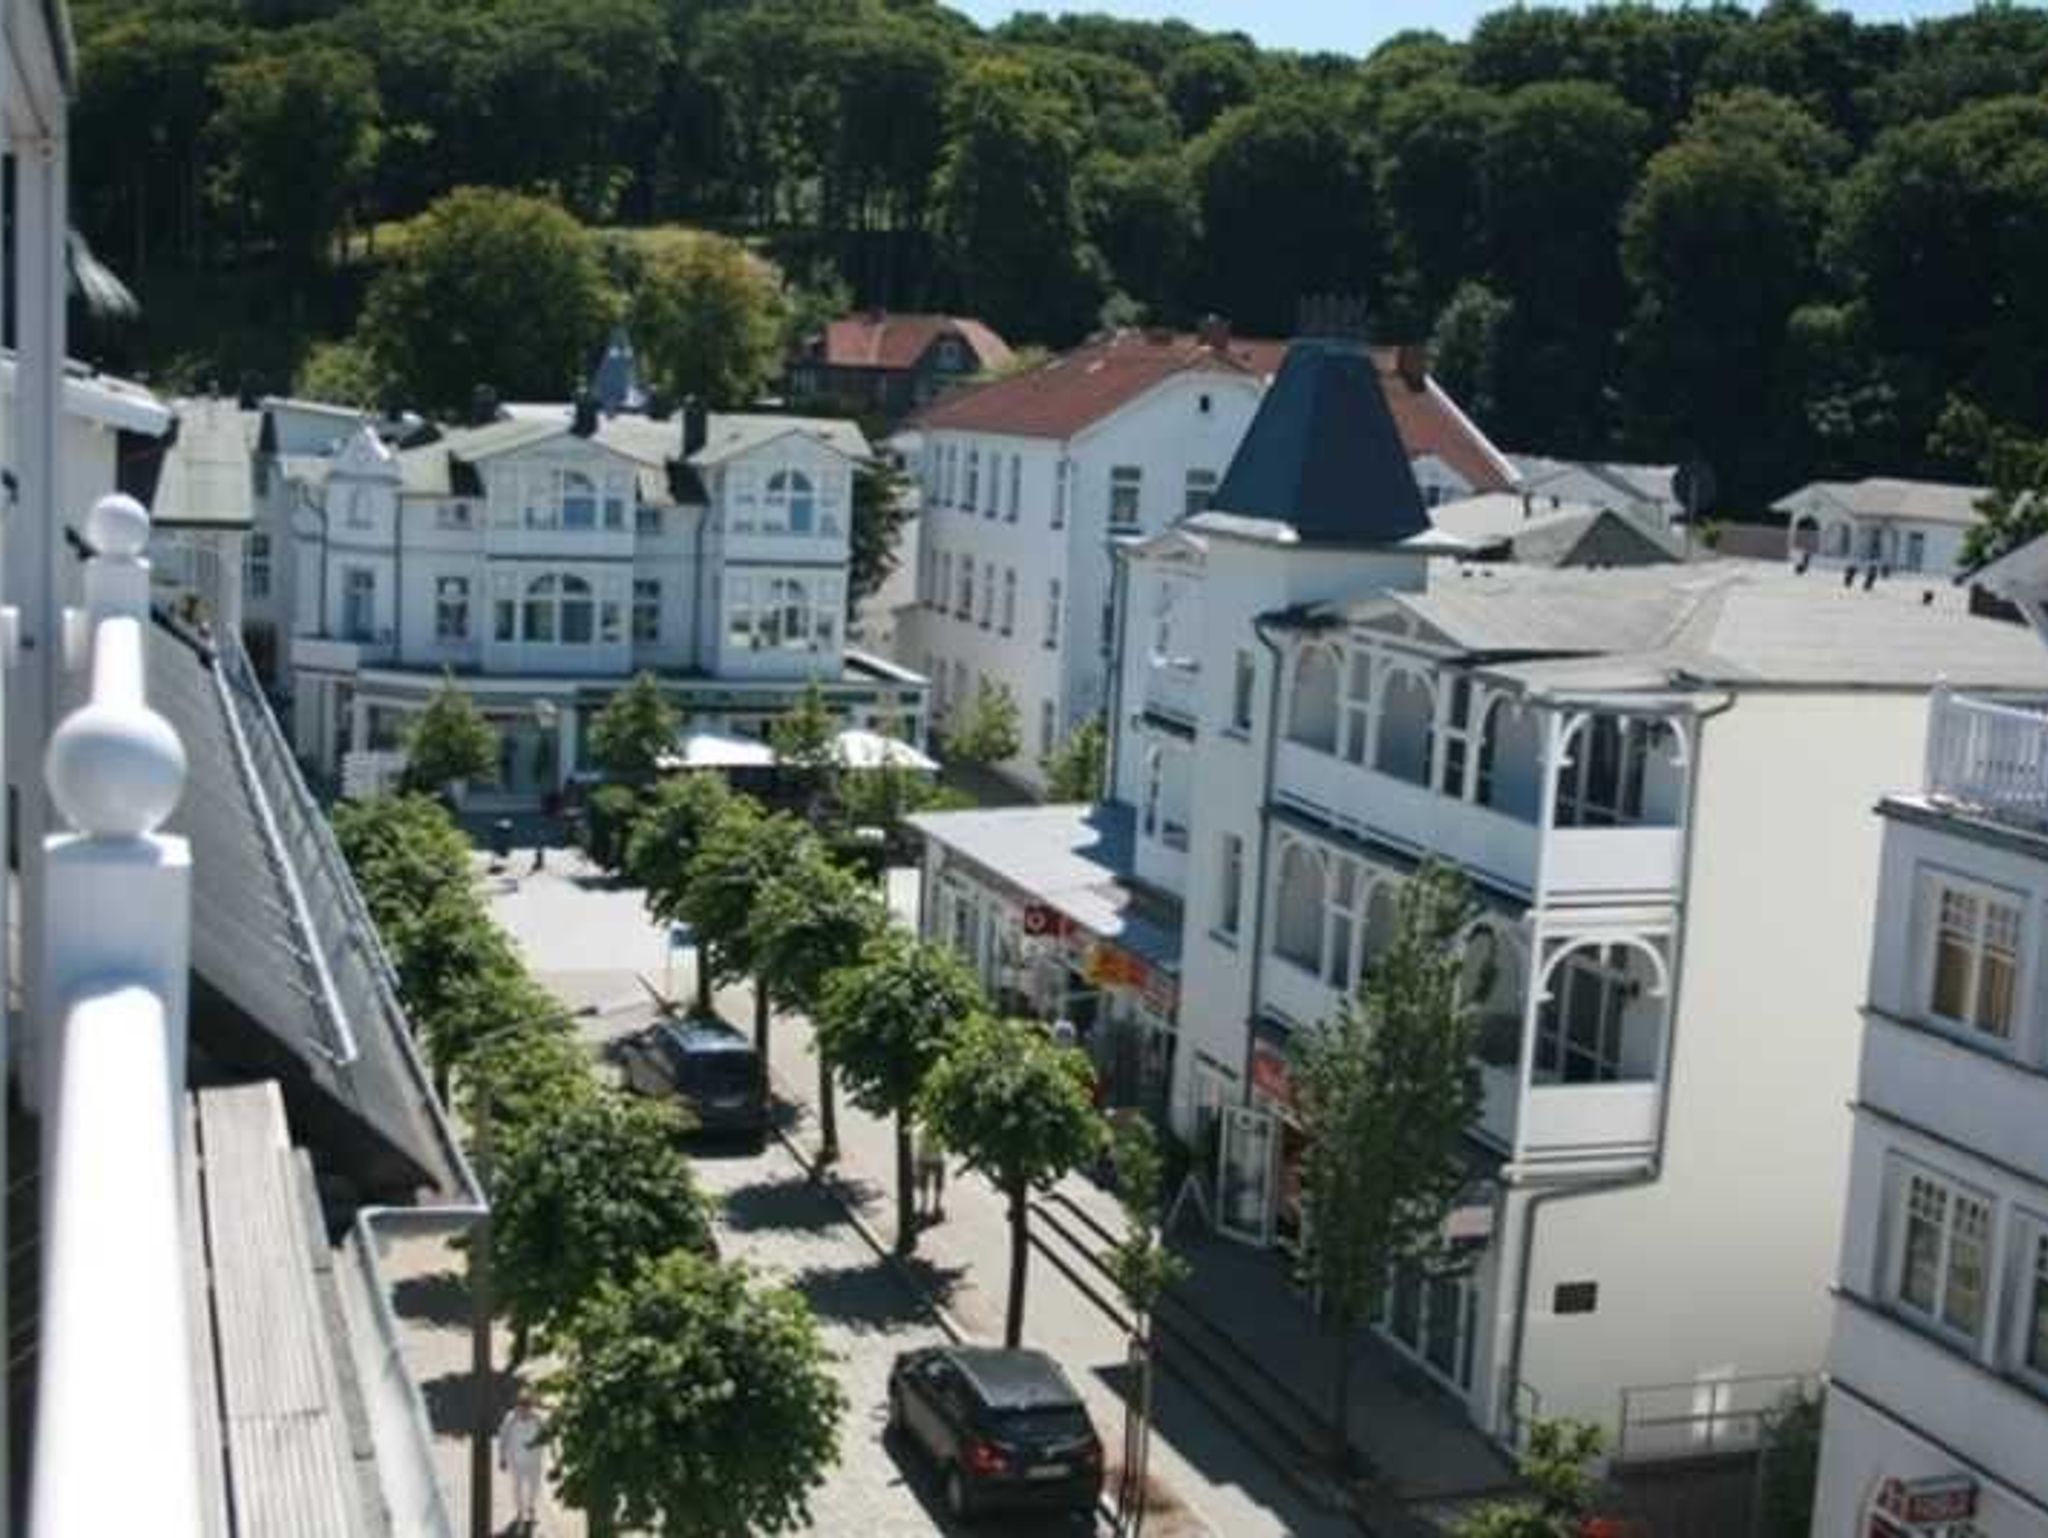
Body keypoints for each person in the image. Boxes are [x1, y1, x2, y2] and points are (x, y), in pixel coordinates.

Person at [497, 1385, 546, 1533]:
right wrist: (502, 1458)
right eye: (522, 1405)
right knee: (517, 1489)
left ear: (531, 1405)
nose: (524, 1408)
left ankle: (530, 1506)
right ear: (517, 1405)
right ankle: (520, 1513)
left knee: (534, 1488)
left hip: (534, 1461)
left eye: (527, 1405)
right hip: (516, 1461)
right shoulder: (510, 1420)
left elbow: (547, 1437)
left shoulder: (538, 1419)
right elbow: (503, 1439)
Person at [915, 1122, 947, 1222]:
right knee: (938, 1185)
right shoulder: (940, 1132)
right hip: (938, 1160)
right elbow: (942, 1145)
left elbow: (920, 1148)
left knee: (924, 1184)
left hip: (925, 1160)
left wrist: (917, 1163)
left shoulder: (922, 1131)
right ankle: (936, 1207)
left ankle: (924, 1207)